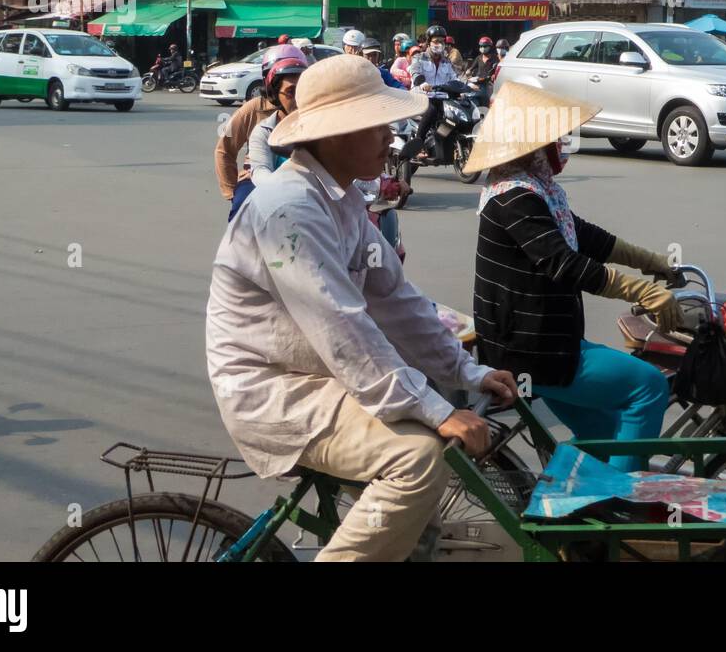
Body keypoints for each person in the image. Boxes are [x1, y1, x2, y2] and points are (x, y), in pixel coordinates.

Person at [206, 55, 517, 561]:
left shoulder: (344, 200)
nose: (390, 138)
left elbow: (398, 301)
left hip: (318, 378)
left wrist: (468, 372)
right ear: (333, 134)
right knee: (418, 460)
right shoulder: (289, 209)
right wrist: (439, 409)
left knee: (422, 501)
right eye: (376, 125)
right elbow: (340, 325)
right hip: (273, 389)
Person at [465, 82, 680, 471]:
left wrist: (652, 261)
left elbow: (587, 237)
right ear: (533, 144)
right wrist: (643, 292)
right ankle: (621, 501)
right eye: (554, 137)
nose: (562, 144)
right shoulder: (515, 197)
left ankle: (578, 500)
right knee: (648, 387)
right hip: (533, 354)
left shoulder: (535, 189)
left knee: (607, 438)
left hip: (546, 343)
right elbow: (565, 263)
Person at [214, 44, 302, 220]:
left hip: (304, 181)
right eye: (290, 90)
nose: (297, 97)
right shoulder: (254, 111)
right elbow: (224, 150)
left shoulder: (314, 114)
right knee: (242, 210)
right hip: (257, 177)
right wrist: (232, 192)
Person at [244, 56, 310, 193]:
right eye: (291, 92)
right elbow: (260, 171)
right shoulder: (264, 131)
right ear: (275, 94)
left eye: (303, 90)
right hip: (278, 196)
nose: (299, 97)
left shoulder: (319, 126)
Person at [399, 25, 460, 160]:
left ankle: (444, 141)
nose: (439, 44)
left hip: (441, 97)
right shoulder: (419, 57)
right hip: (422, 96)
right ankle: (419, 144)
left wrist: (466, 86)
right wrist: (422, 83)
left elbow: (455, 77)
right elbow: (415, 72)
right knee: (431, 110)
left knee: (454, 113)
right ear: (428, 42)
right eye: (436, 41)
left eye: (442, 42)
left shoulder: (446, 61)